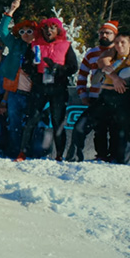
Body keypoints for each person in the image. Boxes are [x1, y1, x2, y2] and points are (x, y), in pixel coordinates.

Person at [16, 16, 78, 162]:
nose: (49, 31)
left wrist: (57, 68)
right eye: (46, 28)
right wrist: (33, 68)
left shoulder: (66, 45)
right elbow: (25, 65)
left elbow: (73, 67)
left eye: (52, 28)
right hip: (39, 87)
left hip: (58, 88)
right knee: (32, 119)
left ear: (58, 30)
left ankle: (59, 154)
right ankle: (22, 152)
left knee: (58, 121)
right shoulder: (35, 45)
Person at [71, 21, 118, 161]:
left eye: (108, 33)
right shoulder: (92, 53)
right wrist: (82, 94)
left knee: (115, 129)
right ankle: (100, 155)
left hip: (116, 98)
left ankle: (114, 156)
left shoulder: (120, 52)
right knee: (98, 128)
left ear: (115, 35)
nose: (104, 35)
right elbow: (82, 75)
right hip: (96, 97)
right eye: (101, 33)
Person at [0, 0, 35, 158]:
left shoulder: (40, 47)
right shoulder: (15, 44)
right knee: (14, 125)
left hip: (33, 94)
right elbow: (2, 30)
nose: (25, 34)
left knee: (32, 125)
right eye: (22, 32)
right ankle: (14, 152)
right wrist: (11, 10)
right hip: (14, 92)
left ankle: (30, 152)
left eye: (29, 31)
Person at [93, 29, 130, 163]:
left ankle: (126, 160)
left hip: (126, 99)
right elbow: (96, 79)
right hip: (110, 97)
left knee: (124, 133)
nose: (119, 45)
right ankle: (106, 156)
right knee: (104, 128)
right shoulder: (112, 55)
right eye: (117, 42)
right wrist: (108, 73)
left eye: (122, 42)